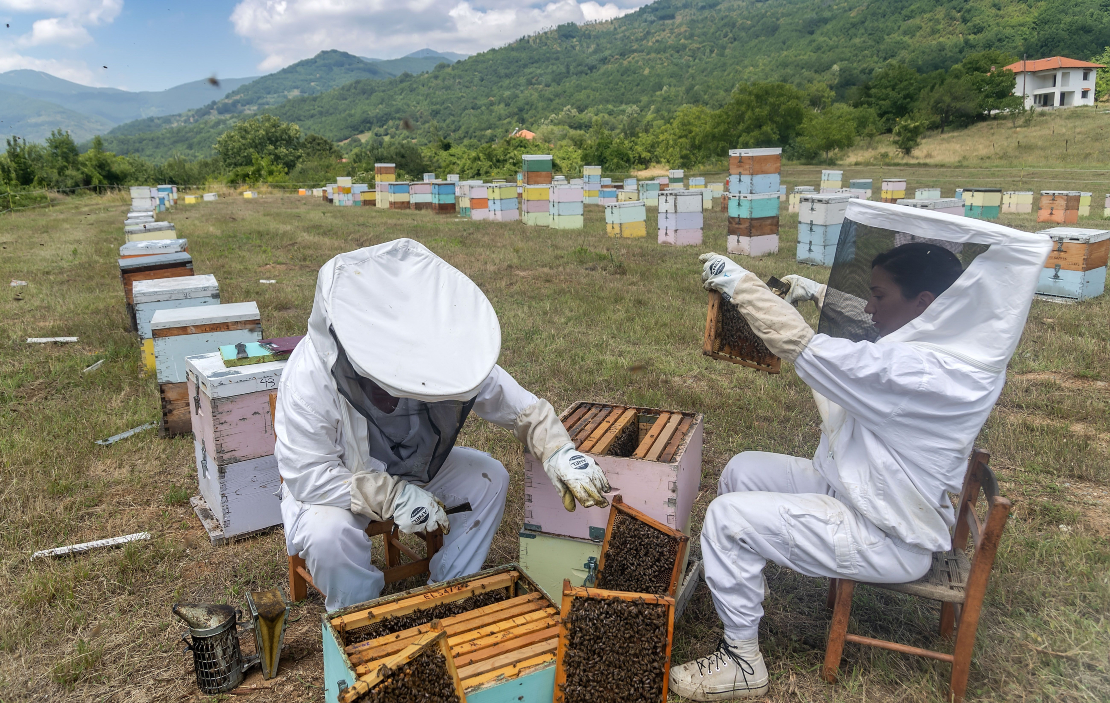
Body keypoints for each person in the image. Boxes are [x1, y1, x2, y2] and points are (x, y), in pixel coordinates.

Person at [670, 230, 1046, 701]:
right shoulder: (951, 344)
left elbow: (807, 348)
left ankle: (742, 662)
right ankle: (737, 583)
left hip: (886, 534)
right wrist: (817, 290)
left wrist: (742, 285)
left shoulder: (920, 373)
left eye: (878, 296)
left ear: (925, 303)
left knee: (727, 517)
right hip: (868, 491)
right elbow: (874, 325)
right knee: (741, 470)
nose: (869, 308)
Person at [274, 238, 610, 611]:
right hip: (339, 484)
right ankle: (356, 616)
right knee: (329, 537)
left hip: (410, 463)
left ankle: (447, 595)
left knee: (489, 479)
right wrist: (392, 496)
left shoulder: (434, 350)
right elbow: (309, 475)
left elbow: (516, 404)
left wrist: (558, 450)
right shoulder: (307, 379)